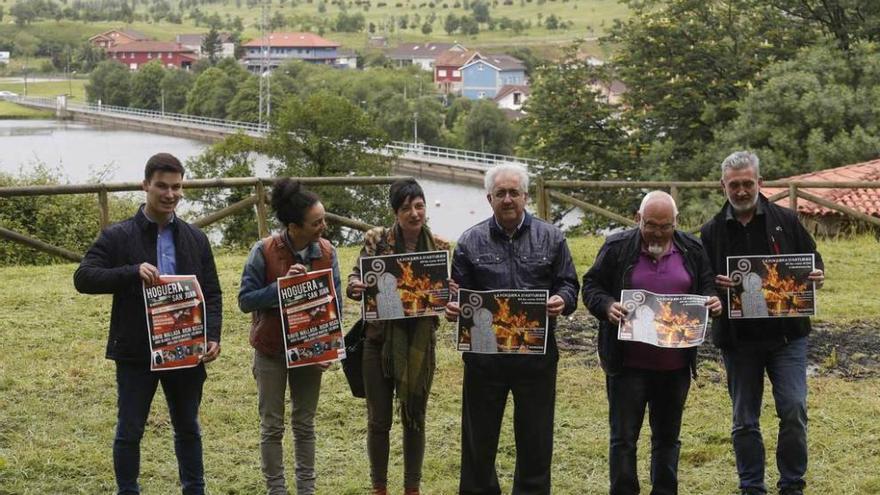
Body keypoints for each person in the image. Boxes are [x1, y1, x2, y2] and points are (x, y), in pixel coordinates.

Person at [73, 153, 222, 495]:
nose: (170, 194)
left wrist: (212, 335)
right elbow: (83, 278)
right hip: (137, 350)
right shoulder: (118, 236)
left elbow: (212, 292)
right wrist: (131, 273)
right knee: (130, 430)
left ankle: (194, 490)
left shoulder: (195, 238)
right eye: (162, 186)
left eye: (177, 187)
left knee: (188, 428)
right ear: (145, 186)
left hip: (185, 349)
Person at [445, 163, 579, 495]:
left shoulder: (552, 237)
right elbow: (457, 294)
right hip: (484, 360)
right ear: (489, 198)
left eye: (514, 193)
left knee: (536, 442)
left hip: (536, 360)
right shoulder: (469, 242)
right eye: (501, 193)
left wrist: (562, 300)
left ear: (526, 197)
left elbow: (569, 285)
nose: (508, 199)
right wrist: (453, 308)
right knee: (479, 444)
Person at [700, 151, 825, 495]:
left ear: (760, 183)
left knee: (794, 409)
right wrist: (713, 290)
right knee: (744, 420)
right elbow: (700, 279)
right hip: (738, 342)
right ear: (723, 185)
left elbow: (815, 263)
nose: (741, 191)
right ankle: (751, 486)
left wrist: (816, 276)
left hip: (788, 337)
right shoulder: (710, 231)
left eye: (747, 183)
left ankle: (792, 484)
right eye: (734, 185)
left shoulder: (786, 220)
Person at [582, 191, 722, 495]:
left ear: (676, 223)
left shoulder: (693, 249)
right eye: (650, 225)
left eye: (665, 226)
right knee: (623, 438)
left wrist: (712, 299)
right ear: (637, 219)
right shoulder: (616, 247)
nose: (657, 232)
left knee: (667, 439)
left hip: (675, 366)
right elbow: (591, 285)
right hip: (627, 364)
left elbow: (708, 283)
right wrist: (607, 306)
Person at [346, 178, 451, 495]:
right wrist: (354, 285)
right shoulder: (376, 240)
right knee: (379, 421)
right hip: (378, 343)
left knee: (414, 417)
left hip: (420, 344)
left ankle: (412, 488)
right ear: (395, 212)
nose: (415, 214)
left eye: (419, 206)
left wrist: (451, 293)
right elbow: (355, 274)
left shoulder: (440, 248)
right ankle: (380, 487)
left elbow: (448, 296)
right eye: (406, 208)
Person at [238, 179, 342, 495]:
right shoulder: (264, 250)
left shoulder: (327, 252)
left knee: (305, 424)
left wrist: (330, 347)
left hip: (310, 351)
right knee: (272, 426)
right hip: (271, 350)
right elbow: (245, 300)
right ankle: (276, 490)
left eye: (323, 219)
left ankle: (306, 490)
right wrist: (281, 287)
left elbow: (335, 303)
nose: (323, 227)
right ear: (294, 227)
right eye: (317, 223)